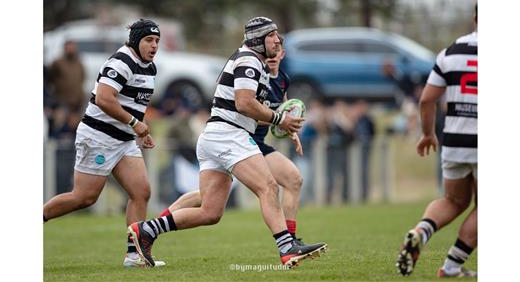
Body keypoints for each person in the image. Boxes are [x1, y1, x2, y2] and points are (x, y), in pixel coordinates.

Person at [128, 16, 327, 268]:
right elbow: (244, 103)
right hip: (229, 135)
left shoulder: (256, 62)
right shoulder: (249, 60)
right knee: (268, 187)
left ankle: (146, 229)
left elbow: (254, 106)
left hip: (216, 136)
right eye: (271, 36)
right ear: (257, 40)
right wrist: (279, 120)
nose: (277, 40)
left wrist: (283, 122)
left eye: (277, 35)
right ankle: (287, 247)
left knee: (210, 213)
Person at [154, 37, 311, 245]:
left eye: (278, 49)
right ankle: (155, 226)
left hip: (257, 144)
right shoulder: (252, 73)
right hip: (237, 141)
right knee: (208, 198)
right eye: (272, 47)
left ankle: (290, 239)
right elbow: (245, 107)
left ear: (281, 54)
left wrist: (290, 130)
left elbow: (283, 108)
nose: (273, 54)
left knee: (293, 179)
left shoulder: (282, 80)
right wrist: (276, 118)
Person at [43, 19, 166, 268]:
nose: (154, 46)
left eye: (157, 41)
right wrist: (135, 123)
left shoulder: (149, 67)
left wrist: (140, 130)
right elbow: (103, 99)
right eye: (148, 40)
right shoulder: (122, 62)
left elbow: (134, 104)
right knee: (85, 197)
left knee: (141, 192)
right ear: (135, 41)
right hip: (98, 137)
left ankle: (134, 256)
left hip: (123, 140)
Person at [396, 5, 478, 278]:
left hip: (454, 142)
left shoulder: (450, 53)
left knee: (453, 201)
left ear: (475, 18)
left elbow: (427, 99)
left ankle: (421, 231)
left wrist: (428, 133)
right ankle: (452, 265)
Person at [49, 40, 86, 114]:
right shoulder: (57, 63)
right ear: (65, 48)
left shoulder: (79, 62)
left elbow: (82, 77)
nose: (71, 49)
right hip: (61, 101)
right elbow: (51, 78)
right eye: (69, 47)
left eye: (73, 47)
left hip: (77, 101)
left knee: (74, 123)